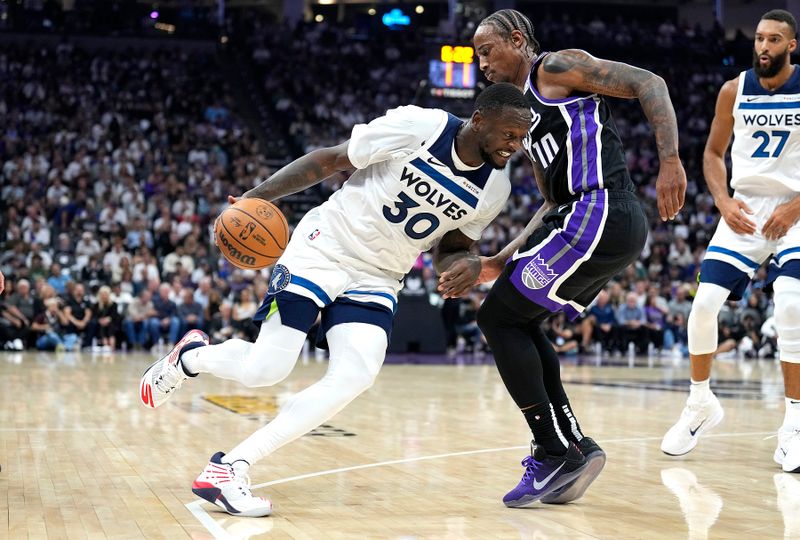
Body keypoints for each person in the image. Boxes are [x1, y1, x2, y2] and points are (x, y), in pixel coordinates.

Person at [139, 83, 532, 517]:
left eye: (521, 137)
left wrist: (466, 264)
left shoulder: (495, 189)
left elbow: (451, 245)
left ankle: (230, 468)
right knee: (267, 369)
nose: (515, 145)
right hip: (323, 247)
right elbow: (329, 160)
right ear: (479, 121)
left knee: (355, 374)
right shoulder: (421, 126)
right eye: (509, 135)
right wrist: (254, 199)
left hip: (380, 276)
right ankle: (192, 358)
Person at [438, 9, 686, 506]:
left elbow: (649, 82)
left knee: (498, 320)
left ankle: (553, 452)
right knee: (517, 322)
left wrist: (670, 160)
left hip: (599, 208)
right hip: (583, 218)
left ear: (517, 39)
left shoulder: (554, 69)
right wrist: (496, 262)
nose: (481, 63)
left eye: (487, 50)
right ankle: (571, 445)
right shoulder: (525, 120)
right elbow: (550, 204)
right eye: (477, 56)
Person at [661, 10, 800, 474]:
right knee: (702, 307)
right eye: (759, 38)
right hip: (743, 209)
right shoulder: (733, 89)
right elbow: (713, 153)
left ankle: (794, 424)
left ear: (791, 46)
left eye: (774, 39)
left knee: (790, 305)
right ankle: (700, 403)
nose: (764, 46)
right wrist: (721, 200)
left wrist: (795, 207)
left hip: (795, 210)